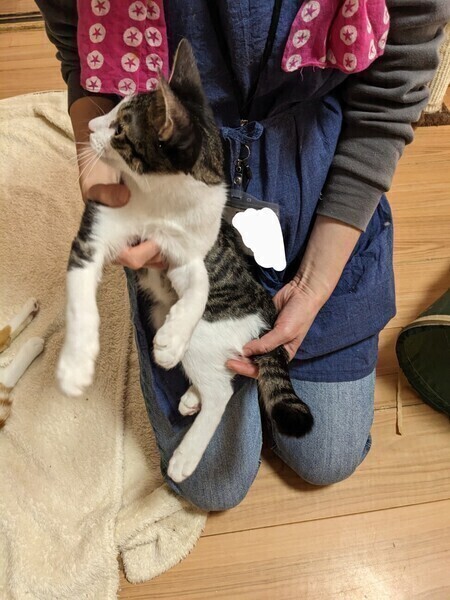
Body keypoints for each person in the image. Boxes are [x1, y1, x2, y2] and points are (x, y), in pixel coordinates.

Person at [36, 0, 449, 511]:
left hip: (312, 173)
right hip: (175, 192)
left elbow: (395, 81)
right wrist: (103, 173)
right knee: (215, 482)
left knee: (327, 455)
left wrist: (315, 282)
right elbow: (78, 48)